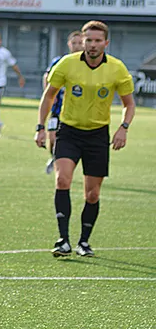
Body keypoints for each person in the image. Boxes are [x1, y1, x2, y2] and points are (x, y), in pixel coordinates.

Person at [35, 21, 135, 258]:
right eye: (89, 40)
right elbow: (48, 97)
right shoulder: (67, 64)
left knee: (92, 194)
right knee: (62, 180)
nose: (92, 45)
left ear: (106, 43)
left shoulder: (117, 69)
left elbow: (129, 104)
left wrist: (124, 128)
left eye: (97, 40)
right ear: (83, 41)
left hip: (98, 135)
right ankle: (63, 240)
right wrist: (41, 127)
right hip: (69, 131)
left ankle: (84, 242)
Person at [42, 31, 84, 174]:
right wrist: (48, 96)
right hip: (58, 107)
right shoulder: (59, 61)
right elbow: (46, 77)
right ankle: (53, 157)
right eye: (74, 43)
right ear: (69, 44)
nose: (77, 46)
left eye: (80, 43)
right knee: (52, 137)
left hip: (77, 110)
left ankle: (66, 163)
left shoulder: (87, 64)